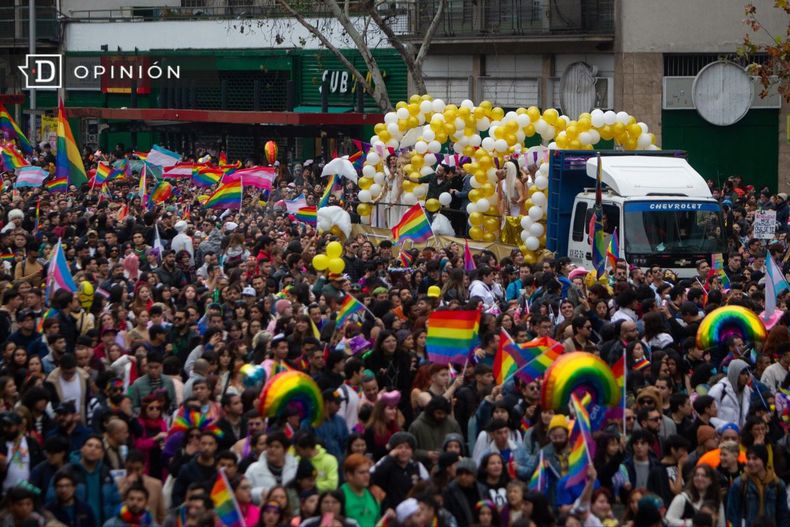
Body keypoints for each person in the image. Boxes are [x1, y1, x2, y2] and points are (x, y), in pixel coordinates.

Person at [726, 445, 789, 527]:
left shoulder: (777, 484)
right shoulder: (740, 483)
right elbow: (732, 514)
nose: (750, 462)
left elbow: (783, 515)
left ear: (763, 460)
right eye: (749, 459)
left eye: (755, 458)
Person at [245, 430, 298, 505]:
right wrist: (260, 492)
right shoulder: (253, 469)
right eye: (270, 446)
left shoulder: (295, 467)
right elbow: (244, 491)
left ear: (285, 450)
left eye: (277, 447)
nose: (272, 450)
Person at [707, 359, 752, 428]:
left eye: (747, 374)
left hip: (739, 434)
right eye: (742, 373)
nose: (746, 377)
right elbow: (709, 415)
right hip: (722, 433)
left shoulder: (747, 390)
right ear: (735, 373)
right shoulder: (719, 390)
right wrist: (726, 427)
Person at [340, 454, 380, 527]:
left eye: (368, 472)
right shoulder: (339, 496)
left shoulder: (372, 495)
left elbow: (377, 521)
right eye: (362, 472)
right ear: (349, 475)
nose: (367, 475)